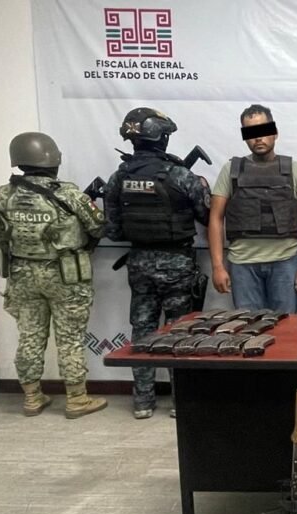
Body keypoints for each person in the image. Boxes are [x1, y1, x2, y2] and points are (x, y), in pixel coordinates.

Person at [0, 132, 107, 418]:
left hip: (22, 275)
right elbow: (98, 226)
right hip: (65, 275)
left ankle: (32, 397)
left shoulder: (2, 195)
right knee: (70, 338)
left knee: (29, 335)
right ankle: (77, 399)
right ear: (53, 160)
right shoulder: (69, 195)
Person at [103, 107, 211, 419]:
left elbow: (112, 230)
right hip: (177, 264)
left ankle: (143, 401)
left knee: (142, 331)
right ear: (162, 138)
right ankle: (181, 402)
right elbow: (206, 215)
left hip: (139, 264)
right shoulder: (180, 175)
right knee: (180, 333)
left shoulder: (119, 177)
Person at [208, 104, 297, 312]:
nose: (258, 138)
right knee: (248, 328)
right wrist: (217, 266)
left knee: (285, 327)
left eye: (263, 130)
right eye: (251, 132)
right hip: (242, 264)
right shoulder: (231, 170)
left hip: (286, 262)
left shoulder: (295, 170)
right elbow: (215, 218)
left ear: (274, 132)